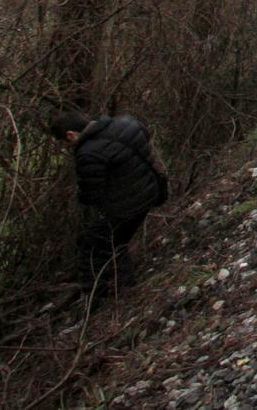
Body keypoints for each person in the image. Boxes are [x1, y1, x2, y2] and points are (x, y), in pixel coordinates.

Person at [47, 110, 168, 296]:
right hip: (152, 191)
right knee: (114, 241)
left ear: (71, 134)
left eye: (66, 142)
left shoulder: (88, 153)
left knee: (97, 245)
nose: (68, 146)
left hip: (129, 205)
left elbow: (91, 194)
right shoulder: (127, 122)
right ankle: (122, 286)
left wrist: (84, 200)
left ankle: (102, 294)